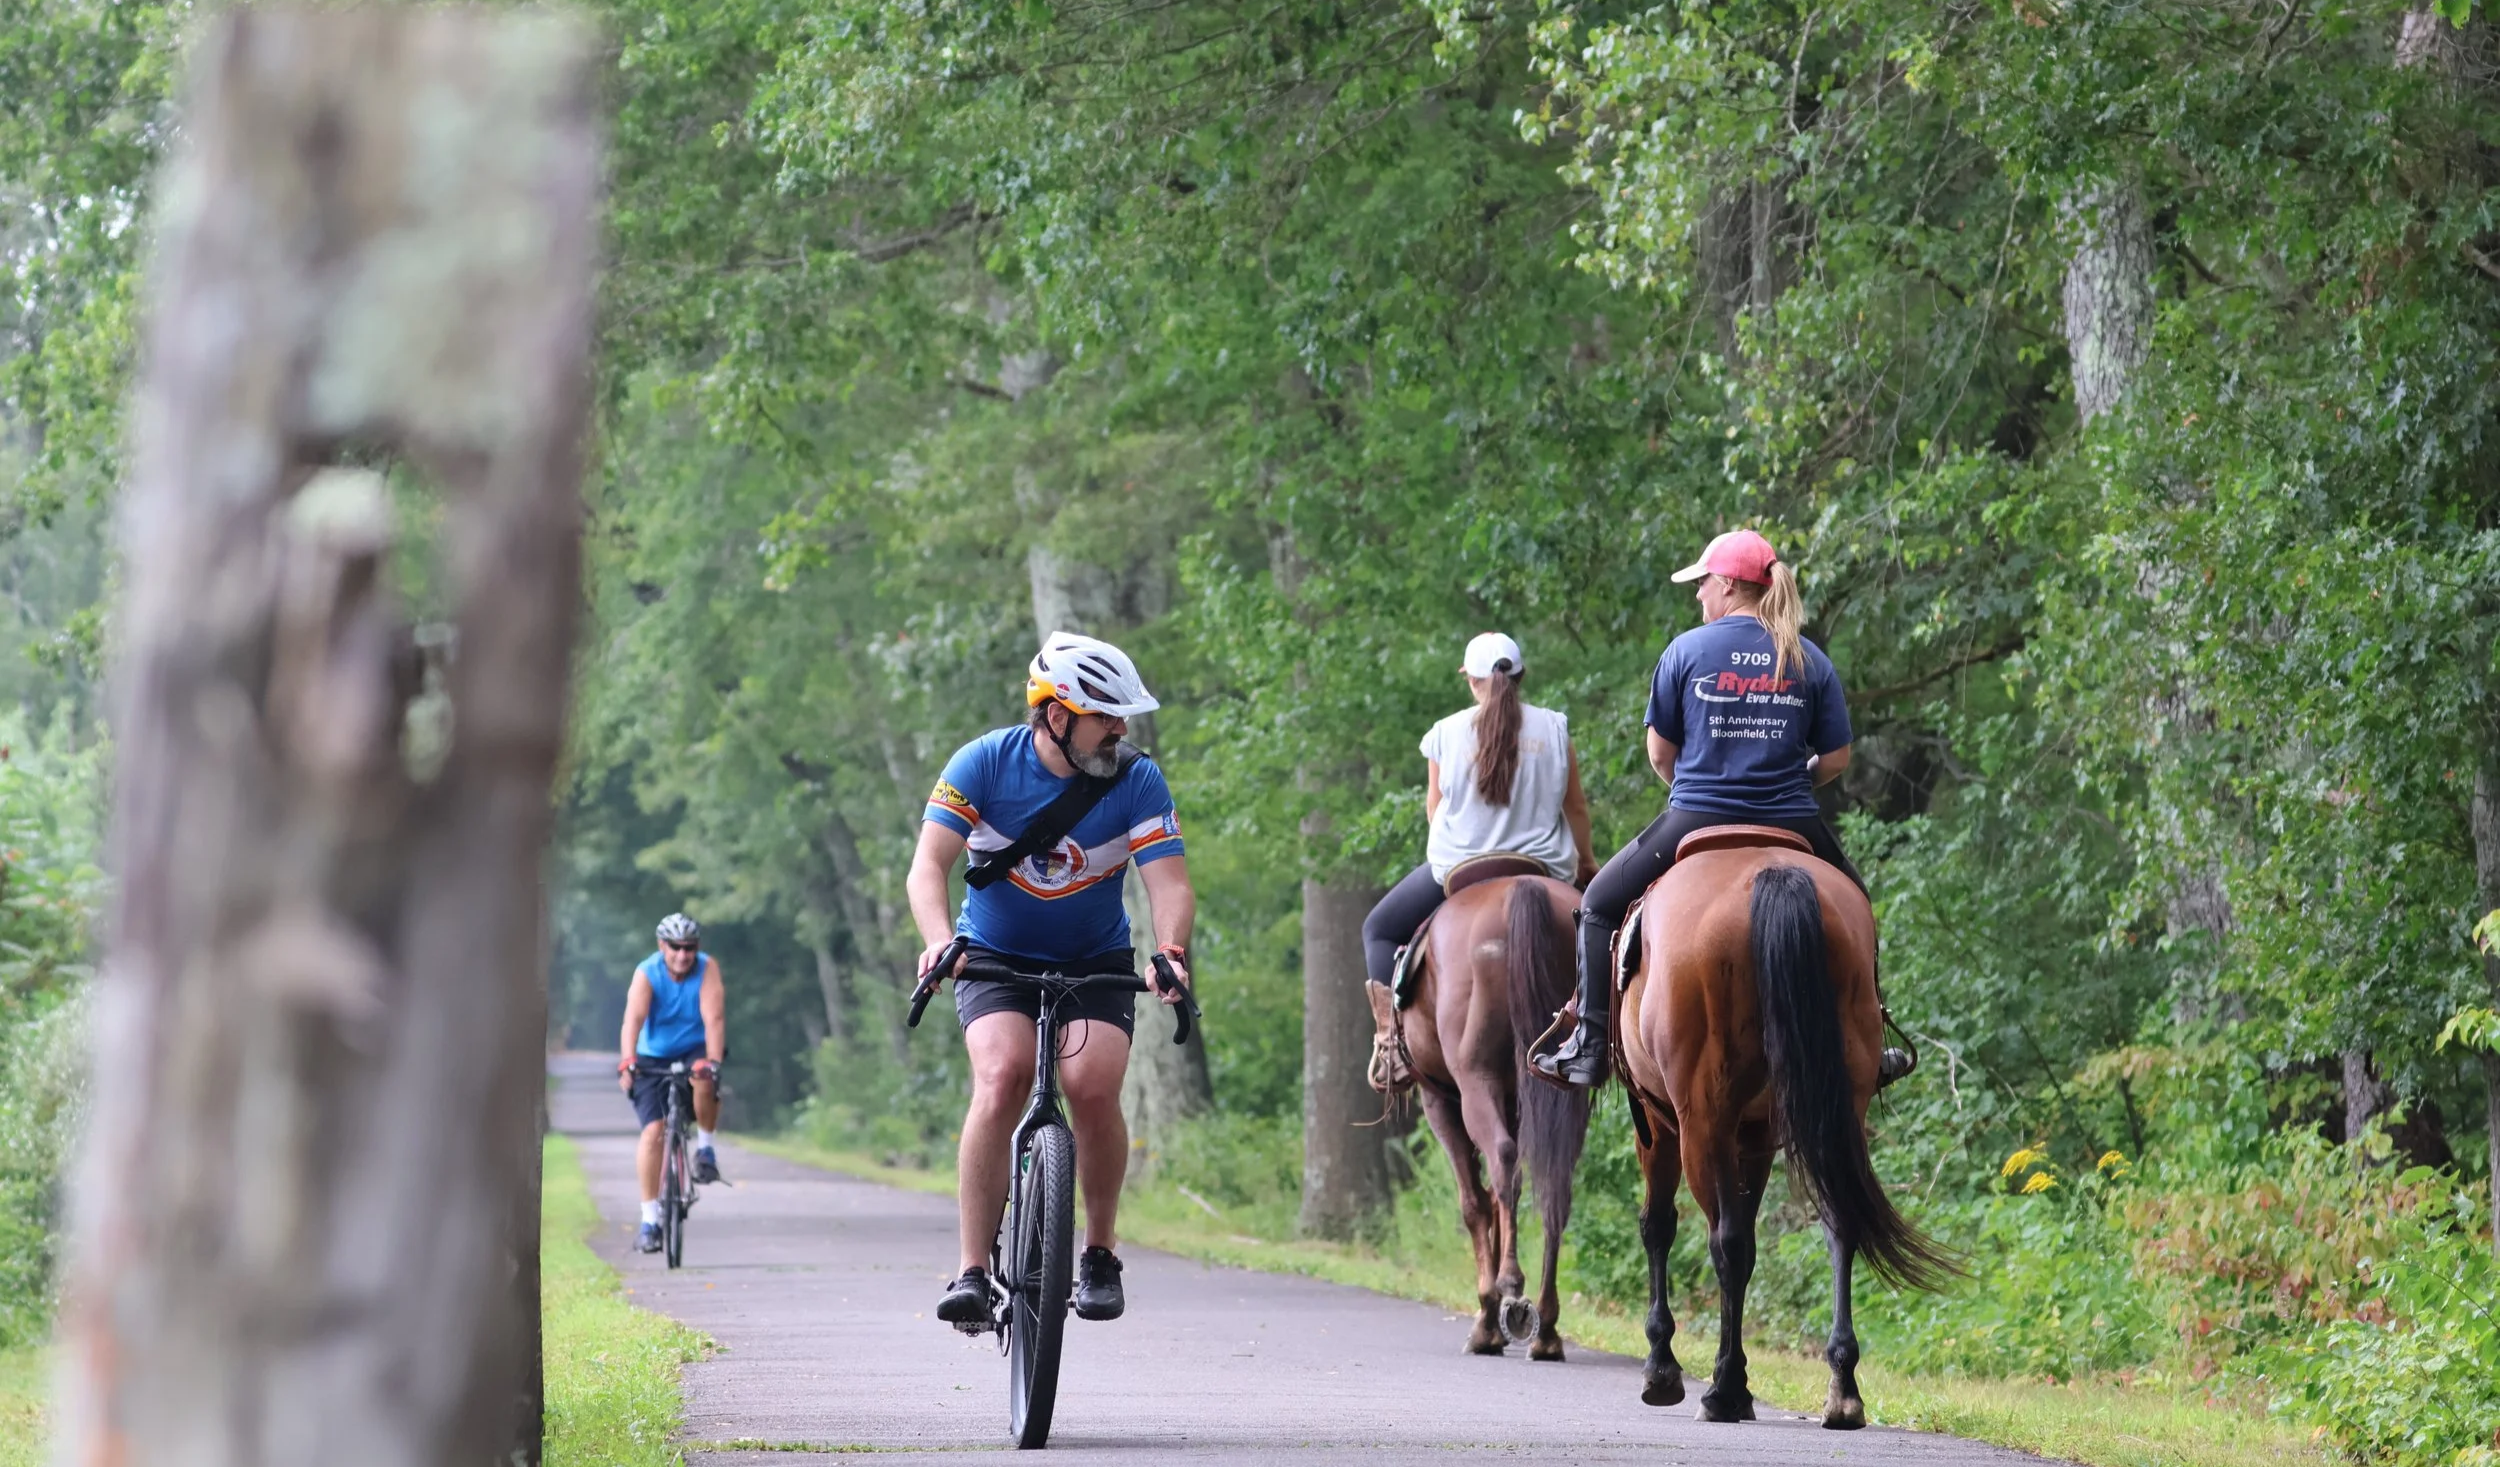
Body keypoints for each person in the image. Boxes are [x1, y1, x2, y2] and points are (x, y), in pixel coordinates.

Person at [1531, 528, 1907, 1089]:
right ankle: (1868, 1041)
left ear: (1729, 585)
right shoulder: (1808, 658)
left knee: (1599, 907)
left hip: (1699, 814)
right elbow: (1835, 759)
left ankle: (1588, 1043)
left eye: (1703, 582)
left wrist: (1692, 782)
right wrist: (1796, 779)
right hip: (1791, 816)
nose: (1699, 595)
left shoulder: (1685, 651)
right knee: (1856, 906)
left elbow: (1661, 753)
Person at [907, 631, 1196, 1327]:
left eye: (1123, 717)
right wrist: (940, 941)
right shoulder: (982, 764)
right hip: (994, 956)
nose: (1120, 730)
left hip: (1094, 959)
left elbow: (1171, 881)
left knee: (1092, 1085)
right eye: (1107, 716)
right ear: (1058, 715)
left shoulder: (1137, 778)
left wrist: (1171, 949)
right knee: (1002, 1074)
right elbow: (927, 867)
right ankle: (973, 1268)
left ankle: (1098, 1252)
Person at [1361, 632, 1598, 1088]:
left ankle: (1390, 1044)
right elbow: (1576, 809)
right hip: (1542, 868)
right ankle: (1606, 1034)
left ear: (1470, 681)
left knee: (1378, 928)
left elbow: (1435, 811)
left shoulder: (1445, 734)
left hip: (1461, 872)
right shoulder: (1554, 727)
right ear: (1521, 676)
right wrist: (1585, 864)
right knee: (1610, 927)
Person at [618, 912, 726, 1252]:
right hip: (652, 1054)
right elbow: (632, 1020)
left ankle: (705, 1149)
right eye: (676, 947)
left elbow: (714, 1018)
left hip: (694, 1046)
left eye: (689, 947)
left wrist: (714, 1062)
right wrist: (627, 1061)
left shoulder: (707, 968)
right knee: (653, 1132)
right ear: (661, 946)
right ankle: (650, 1220)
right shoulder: (647, 972)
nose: (683, 955)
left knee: (703, 1078)